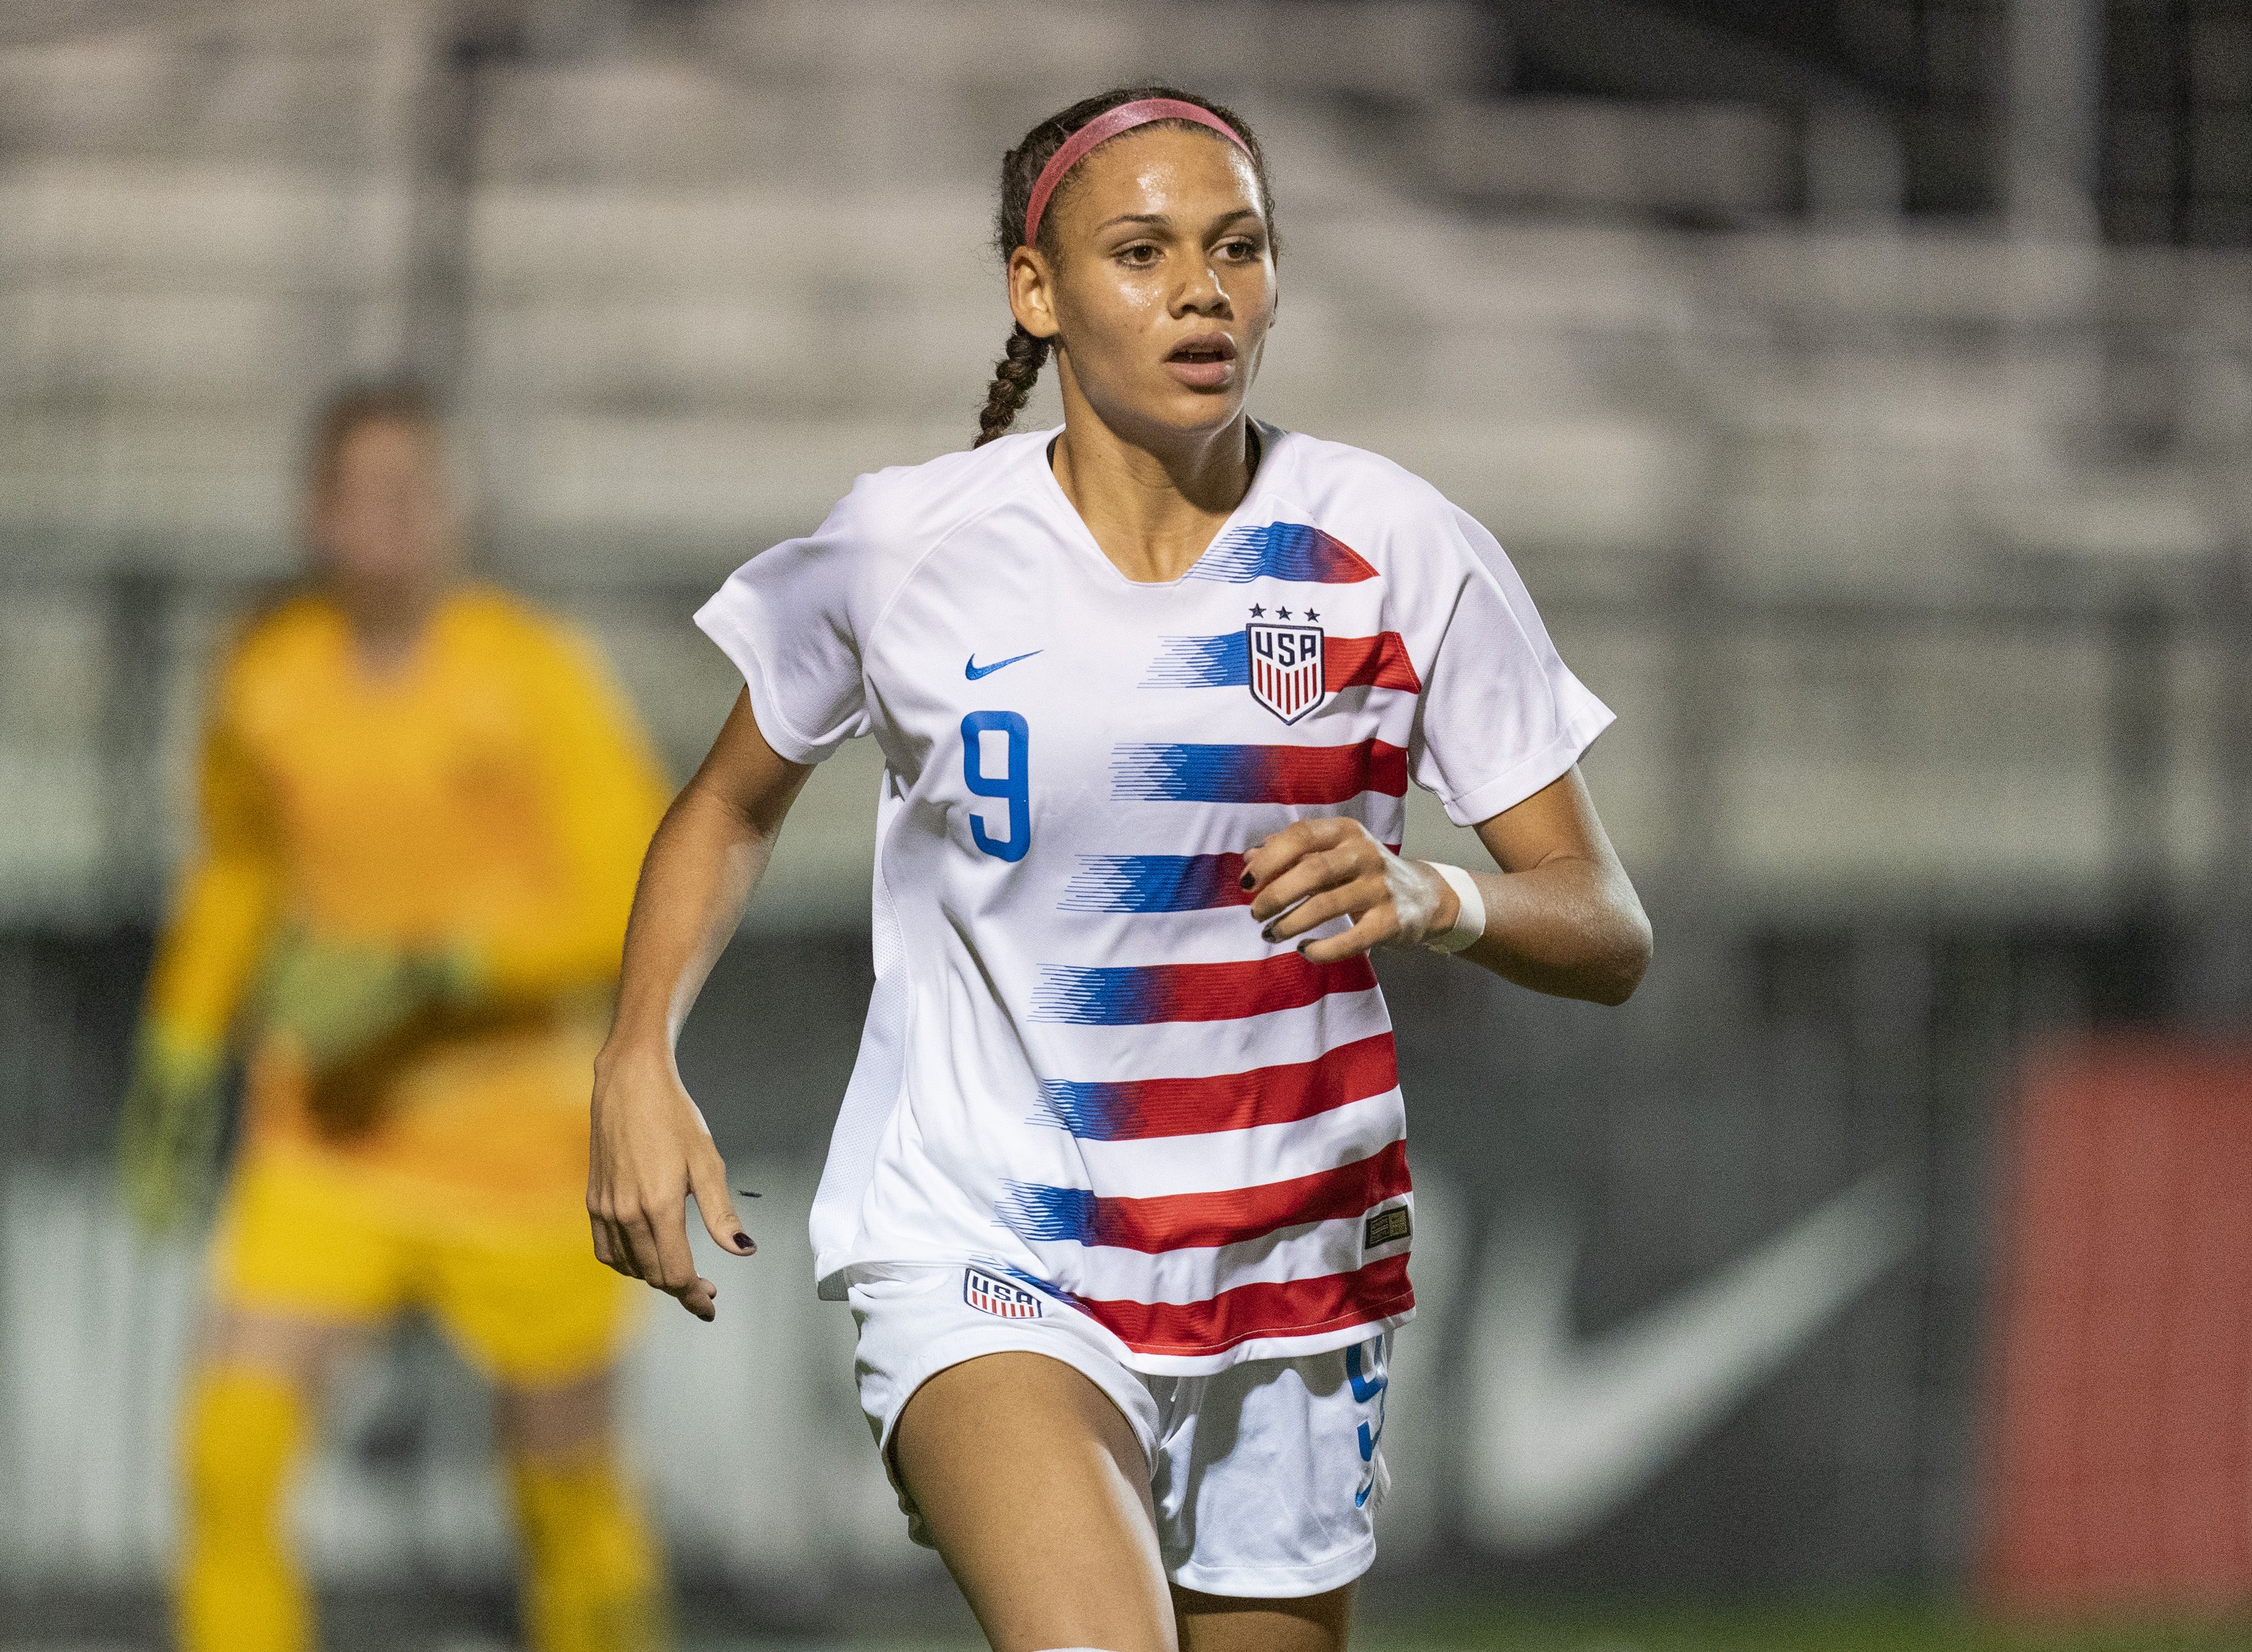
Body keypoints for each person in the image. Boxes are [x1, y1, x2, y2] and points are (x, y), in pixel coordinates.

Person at [587, 87, 1652, 1652]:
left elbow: (1607, 924)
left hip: (1293, 1269)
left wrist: (1440, 895)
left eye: (1239, 248)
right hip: (992, 1245)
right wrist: (634, 1051)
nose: (1204, 290)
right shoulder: (907, 549)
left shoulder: (1393, 545)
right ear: (1038, 292)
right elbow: (735, 803)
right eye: (1142, 252)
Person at [117, 383, 673, 1652]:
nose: (386, 521)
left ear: (451, 510)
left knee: (567, 1494)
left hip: (523, 1152)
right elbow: (239, 869)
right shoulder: (268, 674)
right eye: (357, 494)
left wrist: (451, 966)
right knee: (228, 1461)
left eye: (412, 493)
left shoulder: (529, 675)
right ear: (314, 512)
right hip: (328, 1137)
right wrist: (181, 1038)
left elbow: (636, 885)